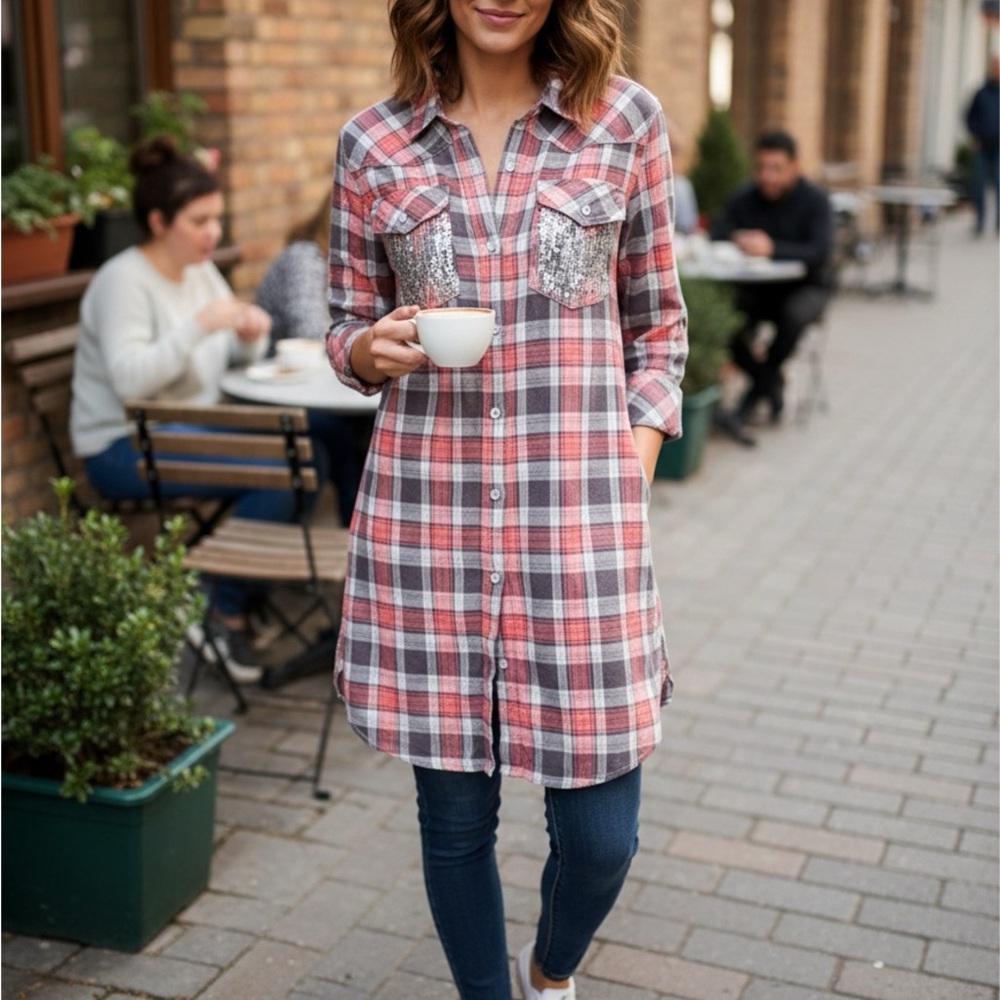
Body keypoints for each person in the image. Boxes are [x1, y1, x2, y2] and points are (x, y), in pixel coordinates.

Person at [325, 1, 687, 998]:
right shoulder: (373, 142)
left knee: (601, 837)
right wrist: (364, 349)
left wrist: (632, 463)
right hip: (425, 531)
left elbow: (659, 329)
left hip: (580, 537)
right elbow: (344, 321)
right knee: (452, 828)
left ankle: (549, 966)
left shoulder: (625, 122)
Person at [70, 136, 293, 682]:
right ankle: (213, 605)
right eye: (200, 221)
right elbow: (130, 382)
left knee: (319, 447)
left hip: (187, 430)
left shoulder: (198, 270)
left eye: (217, 219)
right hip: (122, 446)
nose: (213, 233)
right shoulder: (122, 281)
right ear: (158, 221)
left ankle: (232, 598)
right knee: (283, 475)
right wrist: (200, 325)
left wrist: (247, 334)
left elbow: (227, 360)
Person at [709, 128, 833, 444]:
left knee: (793, 318)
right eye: (761, 167)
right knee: (722, 320)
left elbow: (820, 251)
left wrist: (772, 248)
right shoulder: (745, 196)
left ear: (794, 166)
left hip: (806, 287)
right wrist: (738, 238)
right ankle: (770, 384)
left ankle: (752, 397)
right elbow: (718, 230)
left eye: (776, 168)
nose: (767, 176)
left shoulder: (816, 201)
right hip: (759, 289)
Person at [255, 197, 365, 525]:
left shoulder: (347, 266)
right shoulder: (305, 257)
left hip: (322, 391)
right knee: (348, 437)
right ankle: (355, 536)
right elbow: (311, 331)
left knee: (361, 432)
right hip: (282, 395)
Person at [965, 53, 1000, 237]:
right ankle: (979, 222)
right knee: (978, 185)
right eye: (995, 66)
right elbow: (969, 116)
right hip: (982, 146)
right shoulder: (981, 93)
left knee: (999, 184)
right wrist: (975, 135)